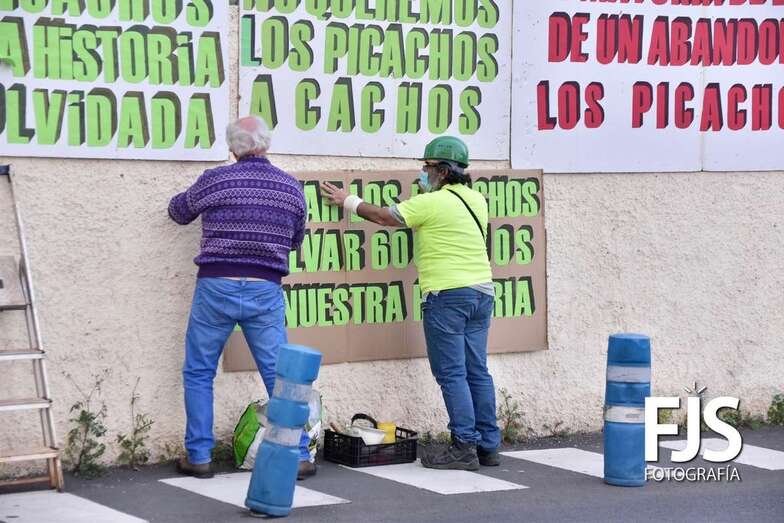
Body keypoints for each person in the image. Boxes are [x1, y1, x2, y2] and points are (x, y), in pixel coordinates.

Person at [320, 136, 501, 470]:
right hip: (481, 293)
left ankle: (463, 445)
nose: (423, 172)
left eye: (427, 167)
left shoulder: (430, 203)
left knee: (452, 373)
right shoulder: (476, 199)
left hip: (447, 296)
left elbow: (384, 217)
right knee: (477, 371)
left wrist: (348, 200)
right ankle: (488, 446)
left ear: (443, 171)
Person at [168, 116, 316, 479]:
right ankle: (297, 454)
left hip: (216, 285)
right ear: (266, 144)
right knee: (281, 376)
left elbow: (178, 212)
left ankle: (199, 456)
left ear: (232, 148)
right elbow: (295, 240)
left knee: (199, 371)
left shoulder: (216, 180)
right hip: (265, 288)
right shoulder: (290, 187)